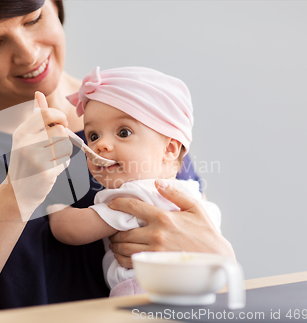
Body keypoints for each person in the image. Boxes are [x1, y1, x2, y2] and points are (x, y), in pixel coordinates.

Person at [0, 0, 236, 321]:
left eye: (33, 19)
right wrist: (15, 195)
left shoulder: (138, 120)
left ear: (56, 5)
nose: (28, 55)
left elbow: (206, 264)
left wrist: (220, 255)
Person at [48, 66, 223, 297]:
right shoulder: (192, 194)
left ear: (169, 148)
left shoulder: (137, 195)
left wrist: (53, 204)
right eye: (93, 136)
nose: (101, 145)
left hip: (141, 293)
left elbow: (70, 230)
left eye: (123, 132)